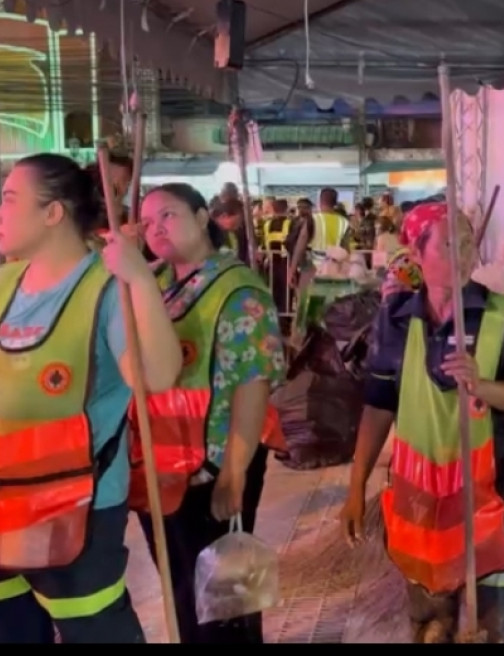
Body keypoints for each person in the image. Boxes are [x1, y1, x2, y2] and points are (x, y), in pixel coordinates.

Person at [0, 154, 182, 643]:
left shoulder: (107, 289)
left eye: (9, 199)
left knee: (94, 629)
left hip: (78, 504)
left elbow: (157, 376)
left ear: (52, 213)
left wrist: (139, 279)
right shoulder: (5, 284)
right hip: (6, 499)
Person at [340, 203, 504, 643]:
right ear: (417, 252)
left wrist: (482, 386)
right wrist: (356, 487)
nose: (464, 252)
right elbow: (378, 406)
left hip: (495, 489)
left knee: (501, 618)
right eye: (450, 243)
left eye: (468, 241)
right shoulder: (395, 321)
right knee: (431, 620)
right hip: (421, 498)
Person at [133, 183, 287, 644]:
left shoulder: (237, 290)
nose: (156, 229)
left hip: (215, 463)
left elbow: (252, 384)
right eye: (147, 221)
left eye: (168, 215)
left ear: (203, 218)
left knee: (223, 603)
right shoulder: (155, 283)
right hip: (163, 465)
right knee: (182, 589)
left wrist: (234, 474)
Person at [289, 188, 350, 285]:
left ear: (320, 201)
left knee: (308, 293)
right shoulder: (344, 222)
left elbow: (300, 244)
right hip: (334, 267)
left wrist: (292, 270)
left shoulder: (313, 219)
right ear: (335, 203)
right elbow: (346, 249)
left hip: (312, 267)